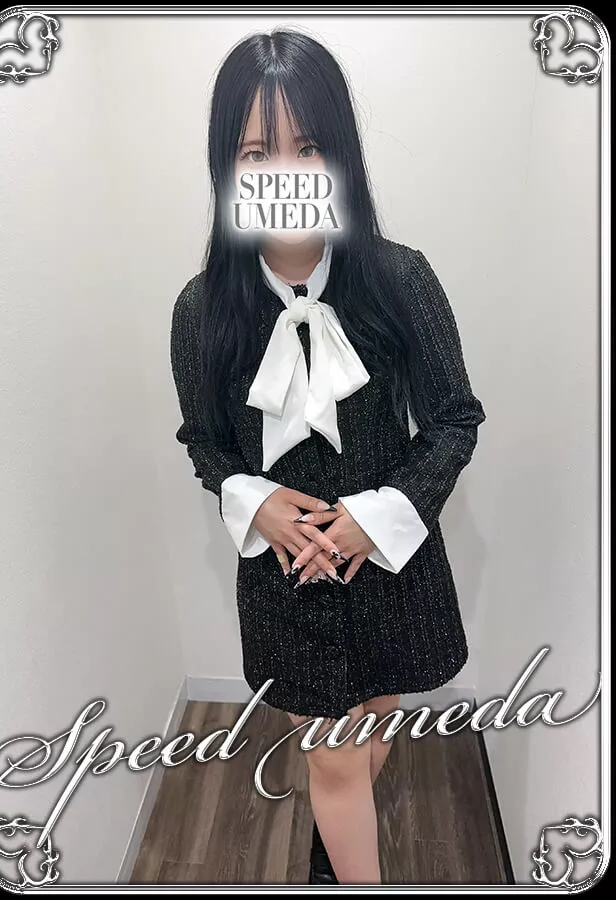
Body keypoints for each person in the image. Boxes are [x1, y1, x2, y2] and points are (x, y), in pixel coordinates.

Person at [170, 28, 486, 886]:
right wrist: (255, 501)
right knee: (336, 759)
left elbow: (455, 421)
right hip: (287, 582)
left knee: (372, 728)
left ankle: (335, 838)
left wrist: (375, 519)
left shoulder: (401, 278)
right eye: (256, 152)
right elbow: (204, 442)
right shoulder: (201, 310)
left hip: (390, 568)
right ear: (228, 167)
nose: (285, 173)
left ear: (338, 153)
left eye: (307, 146)